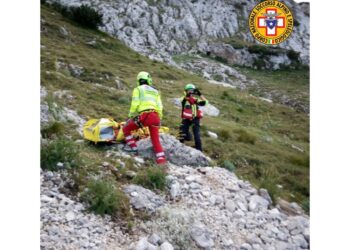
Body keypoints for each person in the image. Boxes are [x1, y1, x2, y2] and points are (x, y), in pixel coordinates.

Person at [122, 71, 167, 165]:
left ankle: (134, 149)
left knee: (126, 129)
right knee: (155, 139)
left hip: (145, 116)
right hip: (156, 117)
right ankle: (161, 160)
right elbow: (160, 106)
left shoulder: (138, 89)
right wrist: (160, 118)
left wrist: (130, 115)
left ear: (139, 80)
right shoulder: (155, 91)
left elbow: (135, 104)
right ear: (148, 80)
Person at [179, 83, 208, 151]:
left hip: (195, 118)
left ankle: (199, 150)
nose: (191, 92)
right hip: (186, 118)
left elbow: (205, 102)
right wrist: (188, 94)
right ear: (185, 91)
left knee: (196, 134)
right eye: (189, 90)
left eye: (192, 90)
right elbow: (185, 98)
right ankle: (180, 146)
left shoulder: (195, 99)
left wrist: (200, 94)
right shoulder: (183, 98)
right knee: (182, 132)